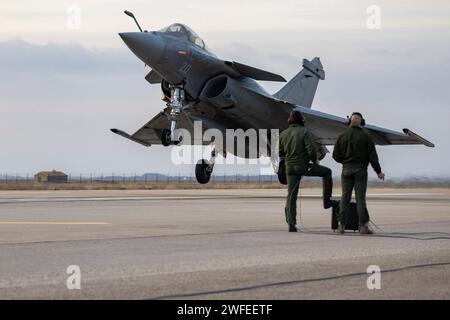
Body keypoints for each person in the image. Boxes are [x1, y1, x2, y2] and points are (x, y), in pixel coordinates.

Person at [279, 110, 338, 232]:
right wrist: (314, 161)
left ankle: (291, 223)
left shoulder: (283, 134)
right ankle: (327, 201)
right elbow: (311, 150)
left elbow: (280, 152)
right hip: (303, 166)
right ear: (302, 121)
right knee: (327, 172)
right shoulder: (305, 132)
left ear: (289, 121)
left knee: (291, 196)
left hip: (289, 168)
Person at [332, 112, 385, 234]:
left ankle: (341, 226)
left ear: (350, 121)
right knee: (360, 198)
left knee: (345, 198)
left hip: (346, 170)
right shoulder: (366, 136)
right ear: (362, 122)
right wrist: (378, 172)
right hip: (361, 170)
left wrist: (345, 162)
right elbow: (373, 157)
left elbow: (335, 156)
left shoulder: (342, 136)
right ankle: (363, 226)